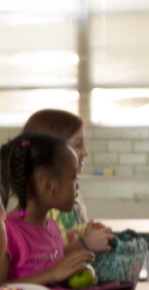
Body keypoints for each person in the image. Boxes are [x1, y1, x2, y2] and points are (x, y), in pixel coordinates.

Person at [0, 132, 95, 285]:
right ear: (49, 186)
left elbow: (54, 283)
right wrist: (52, 274)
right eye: (73, 177)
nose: (77, 185)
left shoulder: (53, 228)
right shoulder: (6, 230)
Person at [22, 108, 115, 253]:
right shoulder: (42, 205)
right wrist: (86, 244)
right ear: (50, 151)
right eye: (78, 145)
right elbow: (42, 260)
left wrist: (92, 232)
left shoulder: (71, 193)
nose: (85, 152)